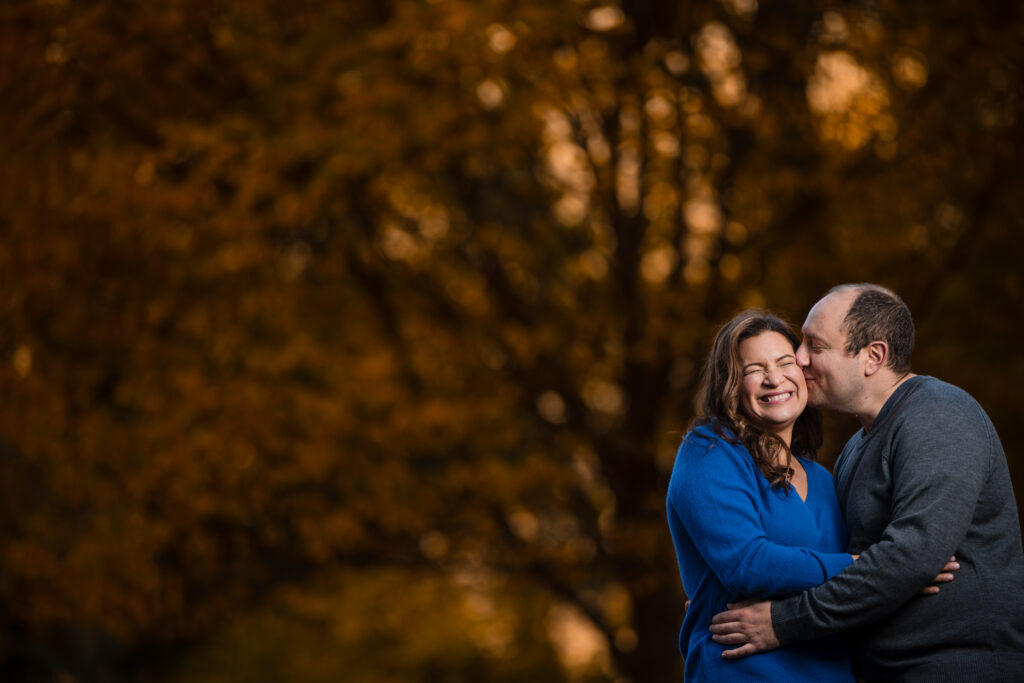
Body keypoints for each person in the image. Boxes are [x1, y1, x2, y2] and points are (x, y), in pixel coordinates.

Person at [708, 284, 1024, 682]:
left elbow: (907, 559)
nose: (799, 359)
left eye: (815, 346)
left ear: (873, 356)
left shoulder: (938, 416)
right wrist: (718, 601)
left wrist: (782, 623)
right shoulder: (854, 450)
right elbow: (837, 563)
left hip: (956, 664)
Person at [666, 310, 857, 682]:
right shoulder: (709, 451)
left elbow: (853, 594)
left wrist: (900, 573)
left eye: (785, 362)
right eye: (754, 370)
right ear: (731, 385)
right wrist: (864, 568)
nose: (774, 379)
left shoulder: (822, 480)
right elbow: (748, 565)